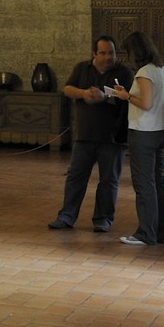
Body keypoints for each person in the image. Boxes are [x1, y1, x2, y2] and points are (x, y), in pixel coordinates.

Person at [48, 35, 133, 232]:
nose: (107, 57)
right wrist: (84, 94)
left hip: (113, 137)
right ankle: (67, 216)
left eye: (110, 53)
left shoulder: (124, 72)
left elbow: (129, 99)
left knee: (108, 181)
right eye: (102, 53)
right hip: (84, 135)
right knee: (75, 177)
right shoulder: (81, 68)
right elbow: (68, 89)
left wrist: (105, 97)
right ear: (94, 53)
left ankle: (103, 219)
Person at [109, 31, 164, 246]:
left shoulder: (144, 72)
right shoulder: (161, 69)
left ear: (137, 51)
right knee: (159, 183)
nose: (128, 57)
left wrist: (125, 96)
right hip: (160, 131)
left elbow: (146, 104)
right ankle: (162, 233)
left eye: (129, 52)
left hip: (144, 132)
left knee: (144, 184)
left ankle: (146, 233)